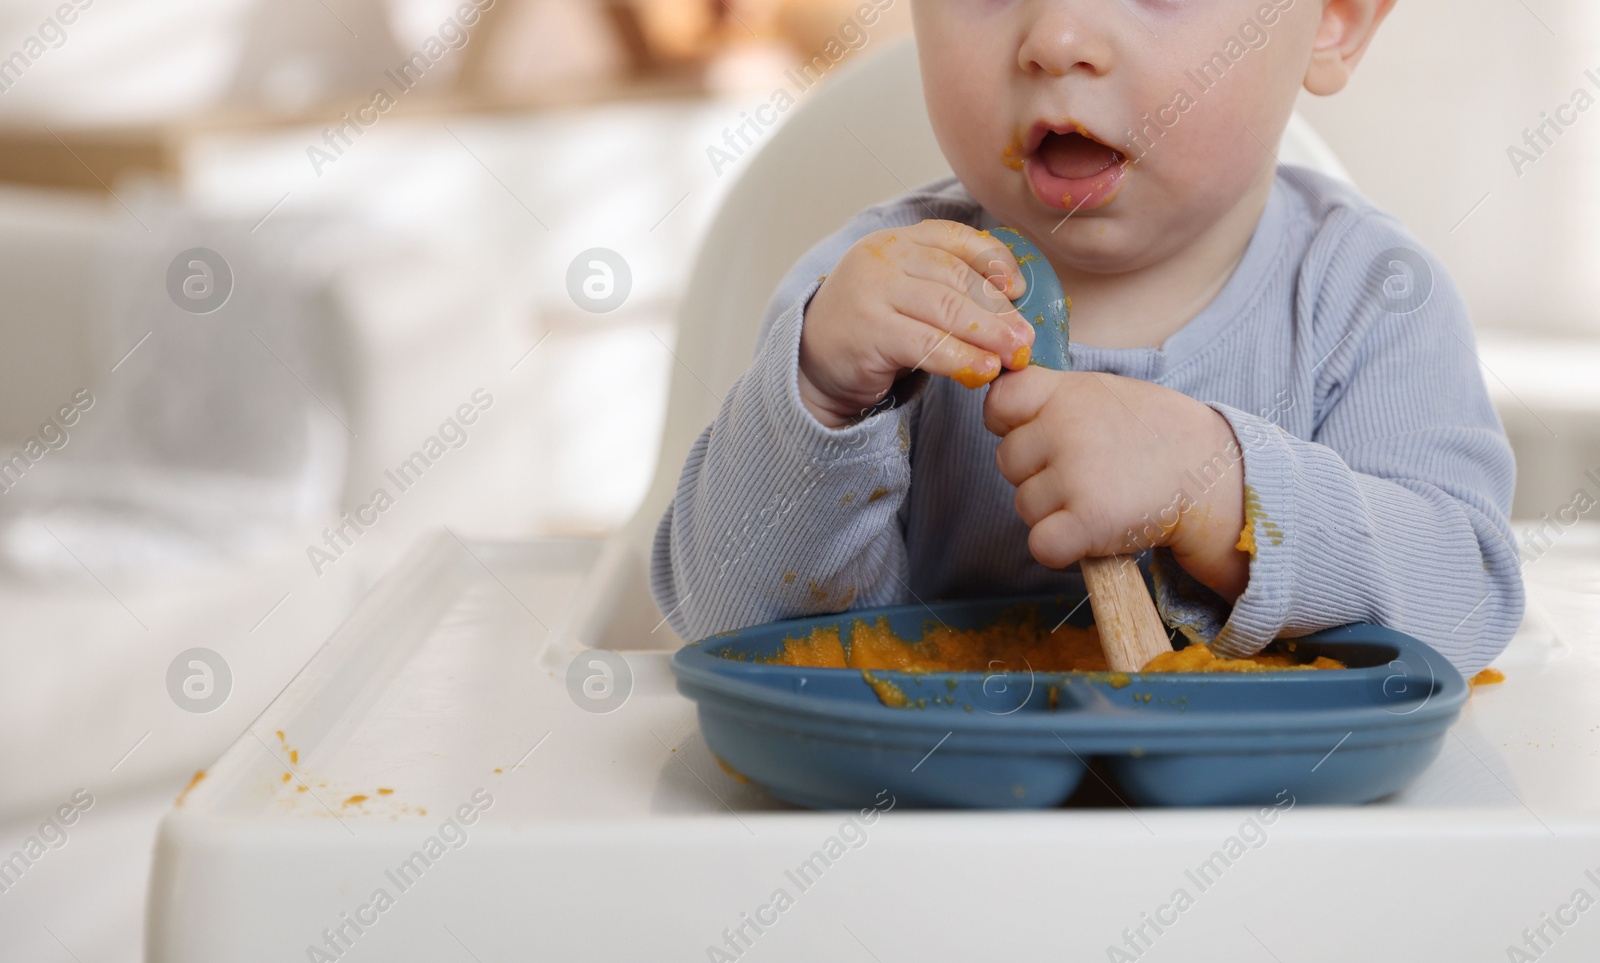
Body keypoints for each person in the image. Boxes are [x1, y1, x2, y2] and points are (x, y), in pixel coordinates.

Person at [650, 0, 1523, 675]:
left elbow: (1466, 603)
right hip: (917, 855)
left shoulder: (1372, 302)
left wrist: (1219, 494)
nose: (1057, 37)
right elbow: (726, 628)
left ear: (1332, 20)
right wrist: (822, 399)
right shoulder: (863, 303)